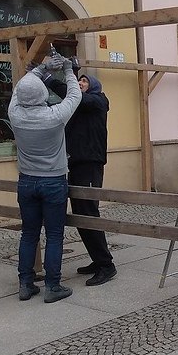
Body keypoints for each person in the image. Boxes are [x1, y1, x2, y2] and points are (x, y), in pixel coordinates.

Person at [9, 55, 81, 303]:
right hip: (53, 181)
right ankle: (52, 286)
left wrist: (40, 69)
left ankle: (25, 284)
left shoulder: (15, 114)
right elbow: (74, 96)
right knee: (54, 235)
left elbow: (21, 89)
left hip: (27, 181)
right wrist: (69, 69)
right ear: (42, 95)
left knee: (29, 234)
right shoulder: (55, 116)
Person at [45, 64, 116, 286]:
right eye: (79, 81)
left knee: (88, 213)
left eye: (84, 81)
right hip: (75, 164)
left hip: (89, 165)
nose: (80, 84)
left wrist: (50, 79)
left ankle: (106, 265)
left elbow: (72, 94)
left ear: (93, 86)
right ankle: (98, 259)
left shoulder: (98, 101)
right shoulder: (79, 106)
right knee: (81, 214)